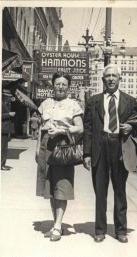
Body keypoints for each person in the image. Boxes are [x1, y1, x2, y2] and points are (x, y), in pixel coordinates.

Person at [83, 64, 137, 243]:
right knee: (100, 191)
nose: (110, 79)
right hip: (99, 145)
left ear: (119, 79)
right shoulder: (93, 101)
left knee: (120, 190)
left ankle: (121, 230)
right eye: (107, 76)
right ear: (103, 80)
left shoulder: (130, 101)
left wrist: (131, 127)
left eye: (114, 76)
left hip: (120, 146)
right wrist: (87, 153)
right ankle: (100, 230)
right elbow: (87, 128)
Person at [35, 72, 83, 242]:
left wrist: (63, 130)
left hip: (63, 147)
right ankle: (57, 224)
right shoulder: (45, 104)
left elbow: (80, 128)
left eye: (64, 84)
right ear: (53, 85)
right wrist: (37, 148)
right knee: (49, 188)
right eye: (57, 84)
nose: (60, 87)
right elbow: (41, 128)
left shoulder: (73, 105)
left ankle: (57, 226)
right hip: (46, 147)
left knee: (61, 186)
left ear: (68, 86)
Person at [1, 93, 16, 170]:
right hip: (2, 129)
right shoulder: (1, 103)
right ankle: (1, 165)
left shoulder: (6, 104)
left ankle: (3, 163)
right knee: (3, 148)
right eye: (8, 97)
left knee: (4, 147)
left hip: (5, 129)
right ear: (5, 96)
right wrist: (8, 114)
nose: (10, 98)